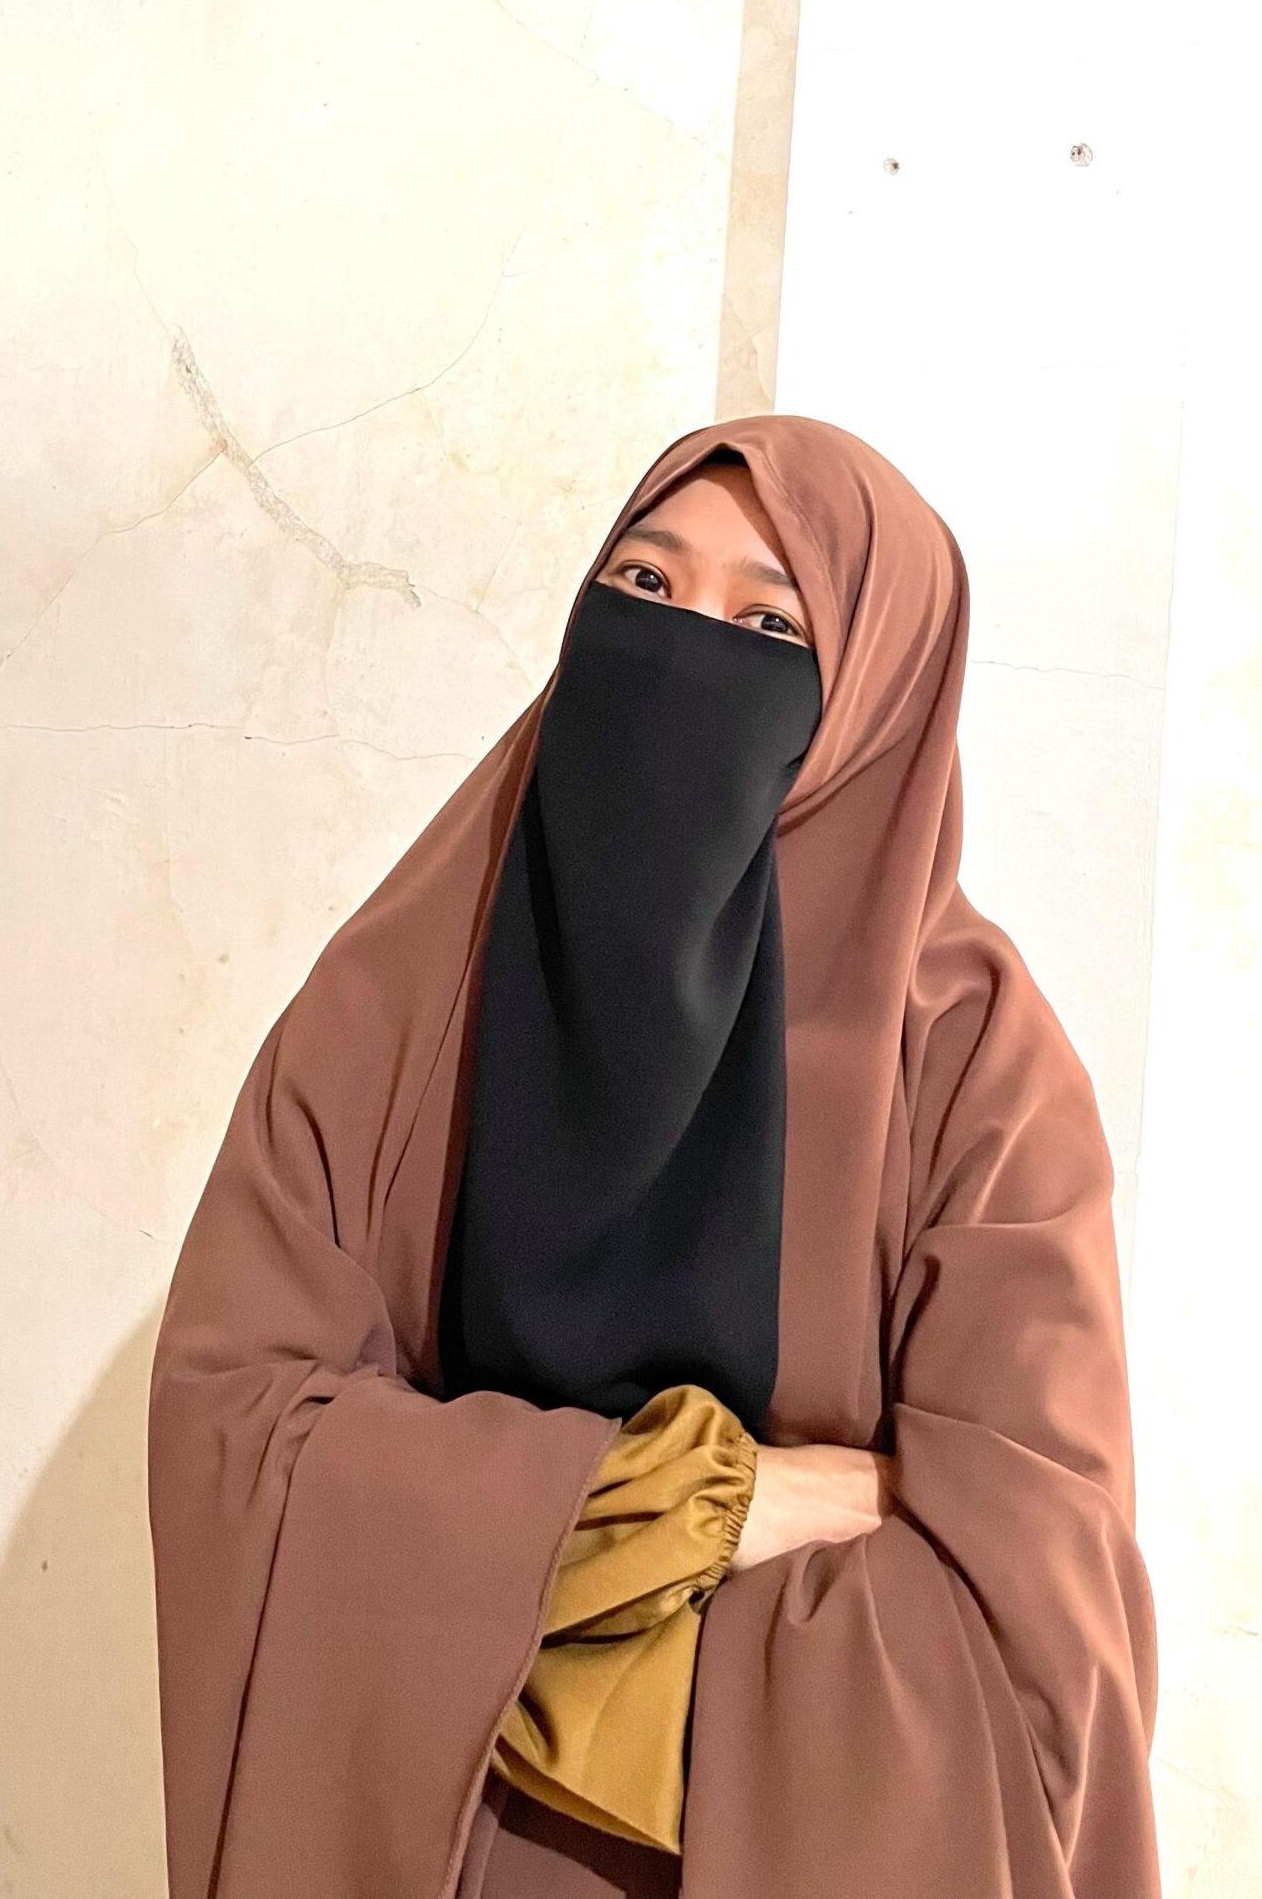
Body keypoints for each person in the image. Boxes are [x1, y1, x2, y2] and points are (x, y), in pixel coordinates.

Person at [146, 413, 1161, 1899]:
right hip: (438, 1836)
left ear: (874, 700)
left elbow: (1032, 1593)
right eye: (644, 586)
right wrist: (723, 1501)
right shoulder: (411, 983)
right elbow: (234, 1428)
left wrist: (481, 1555)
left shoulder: (966, 1060)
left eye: (771, 625)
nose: (687, 650)